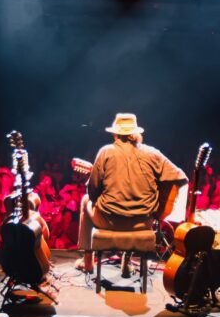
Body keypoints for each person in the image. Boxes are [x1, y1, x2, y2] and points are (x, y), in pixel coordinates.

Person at [76, 113, 188, 276]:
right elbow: (180, 177)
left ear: (115, 134)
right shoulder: (153, 153)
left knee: (85, 200)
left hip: (109, 222)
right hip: (143, 224)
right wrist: (162, 207)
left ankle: (87, 262)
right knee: (134, 205)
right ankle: (127, 261)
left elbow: (92, 193)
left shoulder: (105, 152)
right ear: (136, 134)